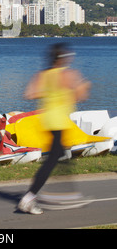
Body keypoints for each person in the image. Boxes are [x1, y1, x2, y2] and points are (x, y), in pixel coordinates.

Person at [18, 42, 91, 215]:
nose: (71, 57)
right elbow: (81, 97)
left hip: (47, 121)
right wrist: (83, 85)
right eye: (68, 55)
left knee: (60, 155)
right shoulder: (68, 74)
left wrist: (51, 92)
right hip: (59, 122)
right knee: (52, 160)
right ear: (62, 58)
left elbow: (29, 94)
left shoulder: (43, 74)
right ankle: (29, 197)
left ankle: (67, 194)